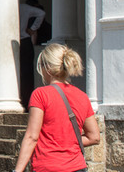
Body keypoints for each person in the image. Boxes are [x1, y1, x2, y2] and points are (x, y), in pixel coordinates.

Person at [12, 44, 100, 172]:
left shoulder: (40, 94)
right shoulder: (82, 96)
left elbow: (32, 137)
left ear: (46, 67)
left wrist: (18, 170)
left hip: (48, 166)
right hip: (77, 167)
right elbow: (94, 137)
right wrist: (67, 142)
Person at [19, 0, 48, 105]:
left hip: (14, 40)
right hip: (25, 40)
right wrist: (32, 28)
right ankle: (27, 101)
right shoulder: (25, 8)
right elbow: (41, 13)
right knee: (27, 73)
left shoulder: (21, 7)